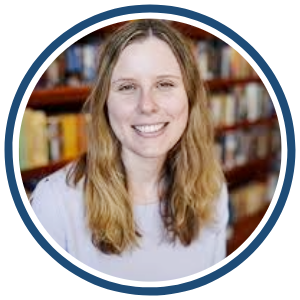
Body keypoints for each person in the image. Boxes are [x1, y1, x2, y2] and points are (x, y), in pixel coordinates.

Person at [31, 19, 229, 281]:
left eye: (165, 84)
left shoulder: (212, 188)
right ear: (105, 103)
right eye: (127, 87)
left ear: (190, 97)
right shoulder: (53, 204)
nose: (147, 105)